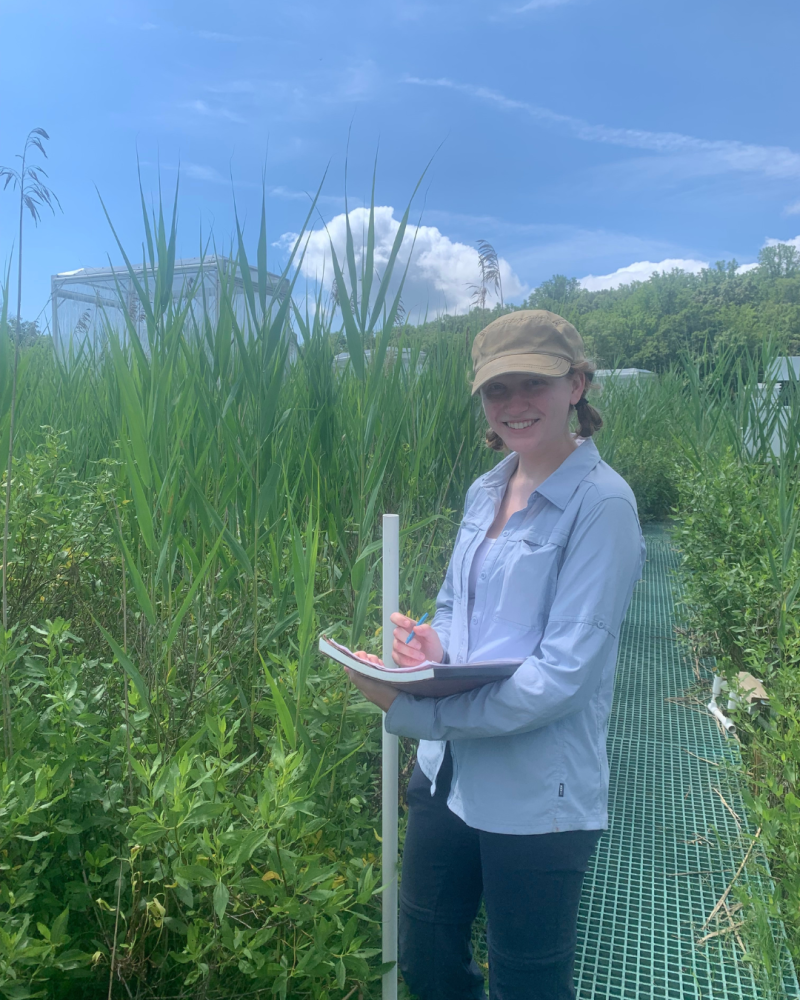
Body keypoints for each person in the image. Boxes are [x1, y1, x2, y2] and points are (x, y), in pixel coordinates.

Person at [346, 310, 646, 1000]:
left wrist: (414, 714)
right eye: (496, 389)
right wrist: (434, 644)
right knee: (427, 953)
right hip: (446, 777)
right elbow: (454, 602)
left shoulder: (603, 506)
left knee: (527, 981)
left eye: (532, 384)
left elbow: (563, 677)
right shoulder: (486, 490)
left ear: (576, 385)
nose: (514, 404)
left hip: (538, 796)